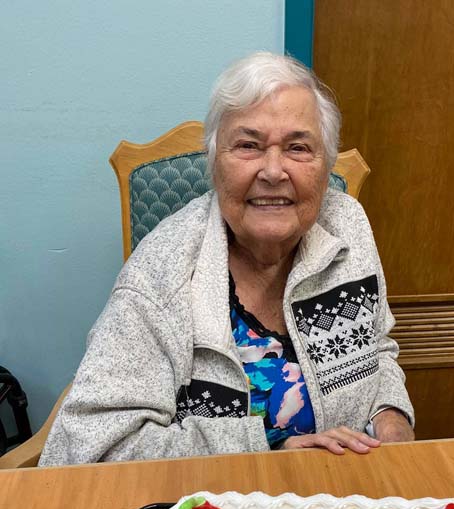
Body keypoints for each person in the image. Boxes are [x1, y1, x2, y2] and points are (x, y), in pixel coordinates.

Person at [40, 52, 414, 466]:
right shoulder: (161, 273)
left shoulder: (349, 226)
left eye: (298, 147)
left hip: (344, 495)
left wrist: (391, 416)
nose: (274, 171)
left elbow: (377, 350)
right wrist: (267, 451)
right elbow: (87, 448)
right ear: (214, 163)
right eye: (248, 146)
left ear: (324, 167)